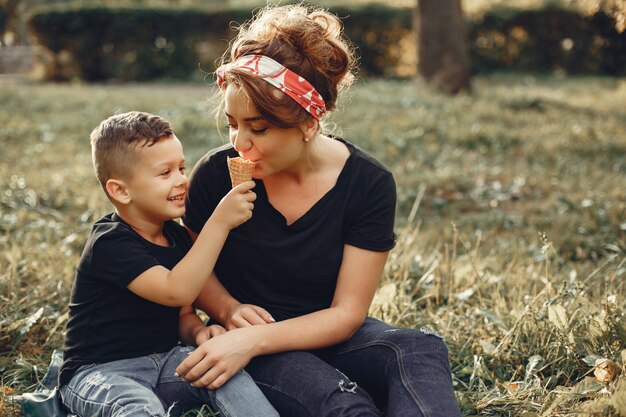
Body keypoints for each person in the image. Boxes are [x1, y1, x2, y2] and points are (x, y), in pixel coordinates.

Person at [178, 4, 462, 417]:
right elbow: (194, 268)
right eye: (233, 123)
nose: (240, 142)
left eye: (259, 128)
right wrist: (229, 312)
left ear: (309, 123)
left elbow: (348, 314)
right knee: (341, 401)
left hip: (325, 332)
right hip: (251, 342)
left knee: (419, 348)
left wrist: (254, 340)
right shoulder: (214, 175)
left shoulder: (368, 183)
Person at [58, 111, 278, 417]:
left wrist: (200, 334)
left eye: (182, 168)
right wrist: (219, 223)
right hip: (101, 372)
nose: (182, 181)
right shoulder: (110, 244)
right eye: (165, 173)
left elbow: (183, 313)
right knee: (136, 406)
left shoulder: (176, 237)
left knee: (223, 373)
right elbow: (176, 292)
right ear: (120, 190)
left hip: (166, 361)